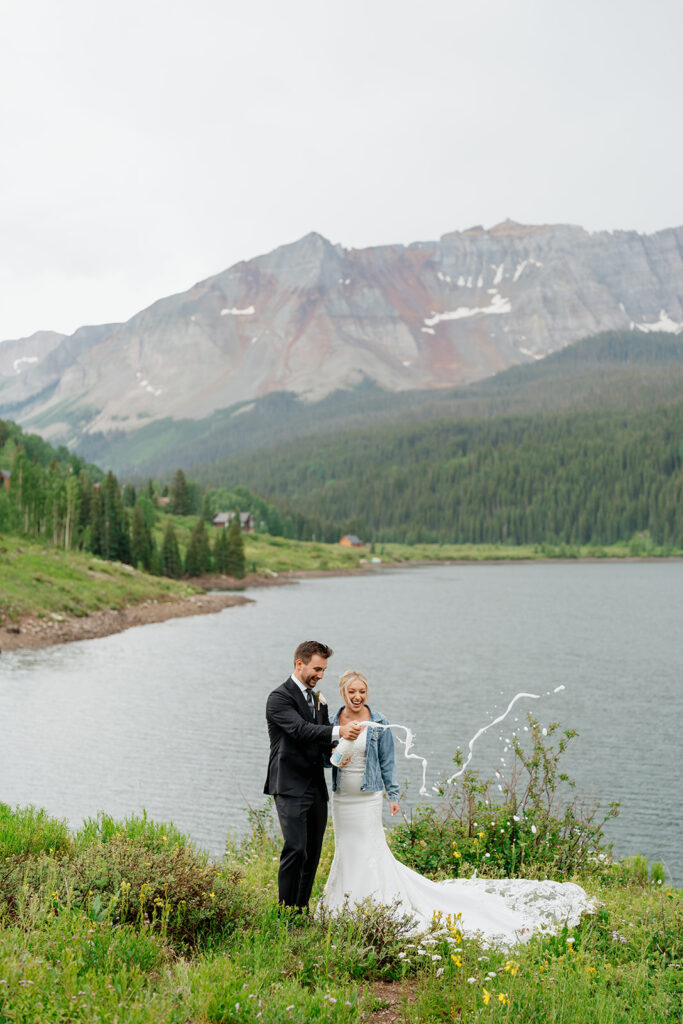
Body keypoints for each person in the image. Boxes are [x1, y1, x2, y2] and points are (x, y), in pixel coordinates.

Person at [322, 670, 594, 946]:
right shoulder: (334, 721)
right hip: (342, 796)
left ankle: (373, 903)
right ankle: (342, 902)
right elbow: (326, 757)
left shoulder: (379, 722)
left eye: (362, 691)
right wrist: (335, 757)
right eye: (352, 692)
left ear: (367, 692)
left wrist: (393, 796)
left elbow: (387, 762)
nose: (357, 697)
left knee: (370, 847)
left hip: (368, 797)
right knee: (346, 846)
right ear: (343, 693)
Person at [264, 641, 363, 913]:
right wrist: (339, 731)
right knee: (296, 848)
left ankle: (300, 911)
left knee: (312, 853)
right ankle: (285, 912)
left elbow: (320, 740)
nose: (321, 675)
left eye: (324, 670)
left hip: (315, 787)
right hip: (289, 785)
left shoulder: (318, 700)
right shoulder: (279, 698)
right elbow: (300, 730)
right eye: (317, 669)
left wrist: (339, 750)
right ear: (300, 663)